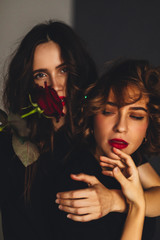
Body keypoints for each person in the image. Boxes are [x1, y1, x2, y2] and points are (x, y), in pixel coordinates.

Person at [0, 20, 97, 240]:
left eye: (63, 70)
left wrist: (115, 200)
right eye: (41, 75)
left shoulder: (99, 133)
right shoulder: (11, 143)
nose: (54, 84)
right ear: (28, 83)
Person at [55, 59, 160, 239]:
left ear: (148, 125)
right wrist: (136, 206)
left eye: (135, 116)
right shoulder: (77, 179)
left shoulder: (130, 160)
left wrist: (116, 200)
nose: (121, 127)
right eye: (108, 112)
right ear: (92, 114)